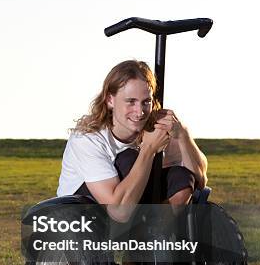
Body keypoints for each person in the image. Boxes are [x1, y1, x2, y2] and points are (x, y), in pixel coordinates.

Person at [57, 59, 208, 225]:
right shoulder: (88, 138)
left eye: (146, 101)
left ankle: (157, 235)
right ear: (110, 100)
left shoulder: (158, 127)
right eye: (131, 102)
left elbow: (200, 181)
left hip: (137, 211)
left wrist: (182, 135)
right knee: (129, 157)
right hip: (83, 215)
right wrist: (149, 149)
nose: (140, 112)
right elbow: (118, 211)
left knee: (181, 177)